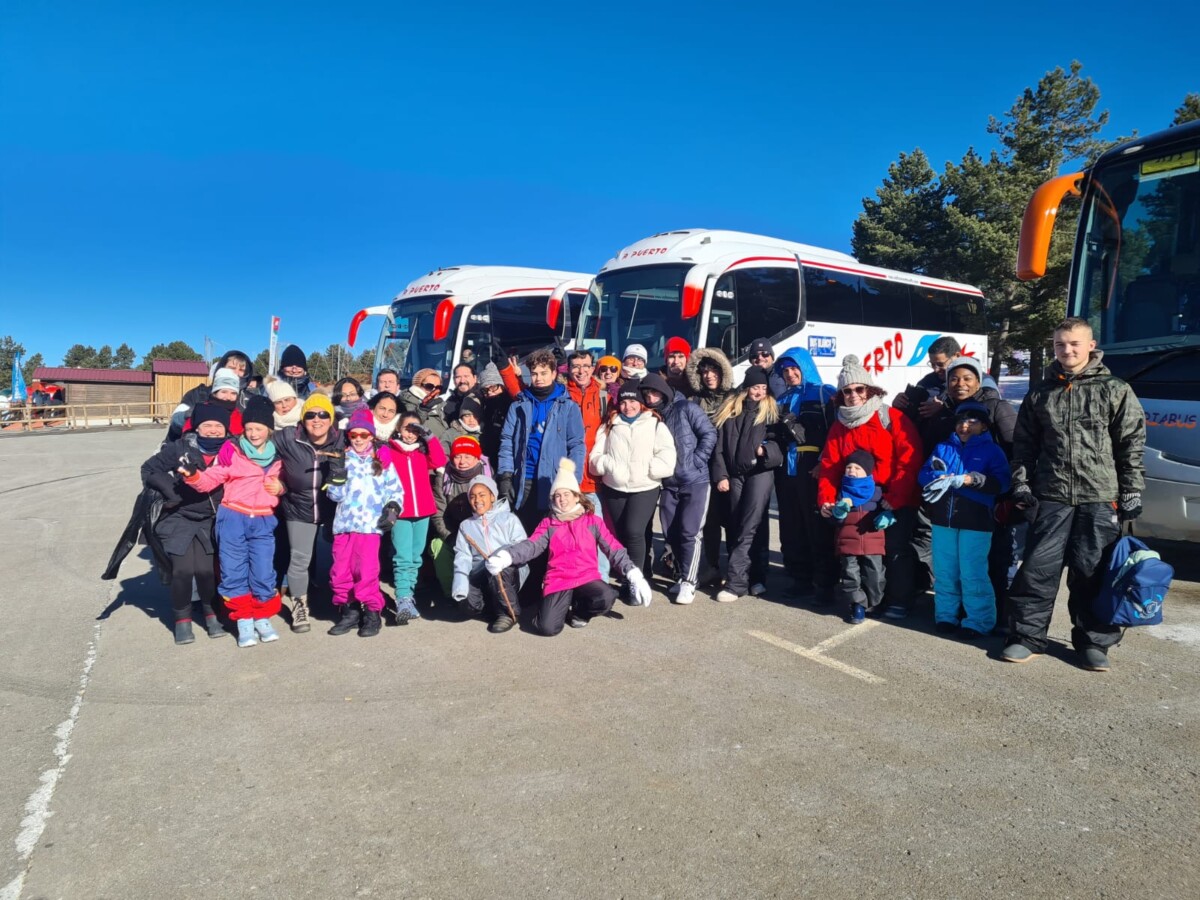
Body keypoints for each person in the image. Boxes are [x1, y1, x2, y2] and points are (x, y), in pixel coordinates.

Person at [1002, 318, 1146, 672]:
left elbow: (1131, 442)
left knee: (1092, 573)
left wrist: (1131, 489)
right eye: (1059, 345)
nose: (1066, 350)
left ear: (1091, 345)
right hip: (1051, 494)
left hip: (1099, 495)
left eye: (1074, 344)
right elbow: (1024, 445)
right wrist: (1021, 482)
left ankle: (1094, 643)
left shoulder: (1114, 389)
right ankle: (1026, 637)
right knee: (1037, 569)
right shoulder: (1040, 393)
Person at [487, 459, 651, 635]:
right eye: (557, 495)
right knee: (547, 628)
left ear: (576, 496)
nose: (562, 499)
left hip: (586, 577)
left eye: (566, 494)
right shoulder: (549, 523)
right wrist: (507, 556)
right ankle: (556, 606)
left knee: (606, 597)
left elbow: (613, 548)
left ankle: (579, 613)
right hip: (559, 579)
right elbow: (531, 545)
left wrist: (633, 573)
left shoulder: (592, 521)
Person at [180, 395, 285, 648]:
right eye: (248, 428)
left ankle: (261, 616)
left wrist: (281, 488)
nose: (253, 433)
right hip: (233, 518)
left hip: (263, 520)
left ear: (268, 429)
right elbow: (210, 479)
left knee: (263, 571)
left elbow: (287, 485)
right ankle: (244, 621)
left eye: (258, 428)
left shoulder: (278, 457)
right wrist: (193, 476)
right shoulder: (231, 452)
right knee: (233, 570)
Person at [919, 355, 1017, 623]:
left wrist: (1003, 492)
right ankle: (952, 614)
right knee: (950, 566)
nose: (959, 384)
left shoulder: (997, 407)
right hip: (949, 508)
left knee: (988, 563)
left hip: (987, 503)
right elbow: (931, 453)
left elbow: (1014, 451)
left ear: (978, 380)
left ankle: (991, 618)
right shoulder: (946, 410)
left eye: (966, 378)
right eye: (953, 378)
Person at [140, 403, 230, 644]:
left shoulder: (231, 450)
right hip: (179, 516)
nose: (213, 430)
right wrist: (171, 491)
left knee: (206, 572)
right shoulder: (180, 447)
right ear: (197, 427)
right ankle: (182, 619)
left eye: (218, 426)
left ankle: (211, 614)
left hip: (211, 519)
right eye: (207, 425)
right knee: (182, 571)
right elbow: (149, 469)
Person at [817, 355, 897, 614]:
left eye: (859, 389)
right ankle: (857, 602)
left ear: (869, 390)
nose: (853, 395)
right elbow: (829, 467)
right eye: (847, 391)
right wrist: (826, 500)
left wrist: (896, 498)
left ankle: (882, 599)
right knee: (848, 559)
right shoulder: (839, 425)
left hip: (884, 500)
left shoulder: (887, 417)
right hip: (849, 503)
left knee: (879, 561)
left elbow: (908, 460)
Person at [324, 409, 404, 638]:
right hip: (345, 525)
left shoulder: (381, 460)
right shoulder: (342, 458)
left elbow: (395, 490)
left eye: (364, 435)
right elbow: (334, 496)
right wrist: (337, 477)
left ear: (372, 436)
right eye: (354, 434)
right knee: (340, 571)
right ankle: (348, 610)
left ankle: (371, 611)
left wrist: (392, 510)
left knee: (366, 571)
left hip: (370, 526)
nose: (358, 439)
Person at [589, 382, 677, 589]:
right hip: (615, 487)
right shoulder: (609, 425)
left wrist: (650, 469)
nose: (628, 406)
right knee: (620, 533)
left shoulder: (655, 424)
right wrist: (609, 466)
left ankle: (636, 583)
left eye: (633, 401)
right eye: (624, 402)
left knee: (634, 532)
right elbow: (595, 457)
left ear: (641, 403)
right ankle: (626, 574)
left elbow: (667, 455)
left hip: (644, 487)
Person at [641, 372, 715, 605]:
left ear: (663, 391)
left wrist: (697, 461)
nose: (651, 397)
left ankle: (690, 582)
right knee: (671, 533)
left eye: (654, 392)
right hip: (668, 484)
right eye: (647, 394)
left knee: (689, 532)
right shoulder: (652, 417)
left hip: (695, 480)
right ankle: (683, 575)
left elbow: (709, 433)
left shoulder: (686, 408)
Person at [273, 392, 345, 633]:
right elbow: (256, 446)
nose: (317, 419)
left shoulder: (341, 440)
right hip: (299, 507)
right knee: (300, 559)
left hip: (335, 508)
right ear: (303, 419)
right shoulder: (287, 438)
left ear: (332, 418)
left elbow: (372, 449)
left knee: (346, 558)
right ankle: (299, 606)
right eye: (311, 414)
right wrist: (279, 482)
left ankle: (348, 603)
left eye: (324, 414)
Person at [710, 367, 783, 603]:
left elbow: (780, 444)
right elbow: (718, 448)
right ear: (746, 388)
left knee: (749, 526)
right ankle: (753, 577)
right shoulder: (730, 412)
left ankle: (737, 583)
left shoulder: (772, 412)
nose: (759, 392)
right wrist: (721, 475)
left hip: (760, 473)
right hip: (734, 475)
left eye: (763, 387)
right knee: (736, 523)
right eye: (755, 387)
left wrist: (766, 451)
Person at [497, 349, 586, 539]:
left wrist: (572, 480)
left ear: (554, 373)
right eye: (535, 373)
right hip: (524, 477)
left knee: (554, 532)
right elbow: (507, 442)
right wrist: (505, 474)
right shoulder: (519, 405)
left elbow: (576, 445)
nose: (539, 378)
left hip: (554, 478)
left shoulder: (568, 406)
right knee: (526, 532)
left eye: (544, 373)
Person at [772, 347, 837, 600]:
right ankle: (801, 579)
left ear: (805, 367)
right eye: (785, 370)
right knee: (793, 525)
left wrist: (825, 462)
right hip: (788, 469)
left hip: (813, 466)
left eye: (794, 368)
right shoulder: (781, 399)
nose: (789, 374)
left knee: (817, 526)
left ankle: (825, 584)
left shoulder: (824, 393)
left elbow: (835, 433)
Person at [384, 411, 449, 623]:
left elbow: (440, 461)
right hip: (401, 512)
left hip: (423, 511)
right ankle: (402, 596)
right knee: (402, 557)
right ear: (398, 429)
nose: (411, 434)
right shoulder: (390, 451)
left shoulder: (422, 452)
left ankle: (408, 595)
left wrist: (429, 437)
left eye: (416, 430)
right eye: (407, 429)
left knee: (415, 556)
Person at [452, 475, 527, 633]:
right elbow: (462, 555)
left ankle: (506, 613)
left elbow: (523, 546)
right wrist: (460, 581)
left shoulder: (509, 519)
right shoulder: (466, 526)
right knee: (466, 606)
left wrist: (502, 557)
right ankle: (487, 607)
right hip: (479, 572)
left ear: (492, 496)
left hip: (508, 571)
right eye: (472, 496)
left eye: (482, 495)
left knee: (497, 561)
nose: (477, 500)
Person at [687, 347, 736, 583]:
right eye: (704, 371)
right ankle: (713, 565)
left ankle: (736, 569)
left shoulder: (735, 398)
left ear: (722, 371)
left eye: (713, 370)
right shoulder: (694, 401)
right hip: (705, 469)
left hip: (733, 468)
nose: (709, 376)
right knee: (711, 520)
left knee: (736, 519)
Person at [829, 450, 889, 624]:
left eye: (857, 468)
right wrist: (838, 513)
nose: (852, 471)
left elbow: (887, 510)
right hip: (848, 541)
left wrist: (887, 517)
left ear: (868, 471)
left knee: (875, 574)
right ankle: (857, 605)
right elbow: (833, 520)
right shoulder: (840, 492)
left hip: (872, 541)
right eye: (849, 467)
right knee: (850, 574)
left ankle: (874, 603)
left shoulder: (877, 491)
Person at [430, 436, 492, 596]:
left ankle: (484, 593)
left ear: (476, 458)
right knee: (438, 546)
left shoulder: (489, 476)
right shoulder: (443, 477)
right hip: (453, 532)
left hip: (482, 532)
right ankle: (452, 593)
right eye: (458, 456)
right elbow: (439, 512)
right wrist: (450, 537)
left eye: (467, 456)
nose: (462, 461)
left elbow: (495, 512)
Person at [168, 350, 257, 441]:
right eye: (232, 368)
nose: (236, 373)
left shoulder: (251, 400)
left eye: (241, 370)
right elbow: (175, 420)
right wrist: (195, 415)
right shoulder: (198, 393)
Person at [400, 368, 450, 445]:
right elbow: (411, 426)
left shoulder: (439, 404)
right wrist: (422, 410)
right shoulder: (408, 402)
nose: (434, 390)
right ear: (418, 385)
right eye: (429, 386)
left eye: (438, 388)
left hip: (441, 450)